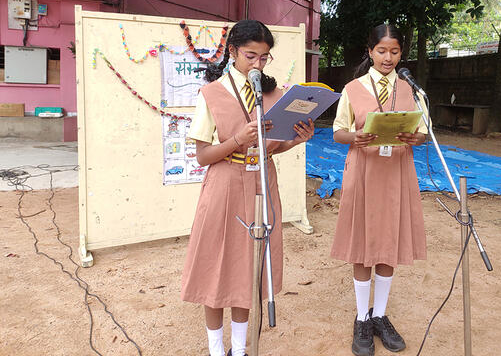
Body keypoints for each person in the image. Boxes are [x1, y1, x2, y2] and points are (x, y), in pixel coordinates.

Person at [181, 19, 314, 356]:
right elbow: (201, 156)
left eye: (264, 57)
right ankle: (216, 349)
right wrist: (237, 139)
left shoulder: (273, 93)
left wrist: (297, 139)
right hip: (224, 185)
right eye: (251, 56)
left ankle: (239, 349)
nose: (258, 64)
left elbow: (274, 145)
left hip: (262, 182)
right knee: (215, 269)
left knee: (249, 268)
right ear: (233, 52)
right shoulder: (211, 93)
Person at [331, 23, 428, 356]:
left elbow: (424, 130)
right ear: (370, 51)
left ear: (402, 53)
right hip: (364, 169)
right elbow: (338, 131)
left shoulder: (410, 88)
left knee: (389, 240)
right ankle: (362, 318)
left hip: (396, 171)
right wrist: (355, 137)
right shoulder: (353, 88)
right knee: (363, 243)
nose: (389, 57)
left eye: (395, 51)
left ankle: (381, 314)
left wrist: (418, 137)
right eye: (382, 51)